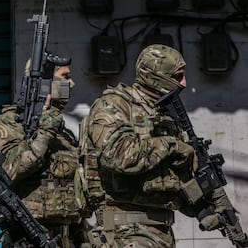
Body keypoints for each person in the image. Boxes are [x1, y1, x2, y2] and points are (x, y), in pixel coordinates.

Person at [77, 44, 200, 247]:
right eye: (178, 77)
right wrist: (172, 146)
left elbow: (175, 181)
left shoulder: (163, 116)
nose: (184, 84)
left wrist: (205, 205)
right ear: (155, 76)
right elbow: (118, 156)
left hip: (158, 233)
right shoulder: (114, 105)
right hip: (124, 233)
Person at [0, 62, 83, 247]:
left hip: (65, 235)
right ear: (45, 83)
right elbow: (10, 170)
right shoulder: (12, 123)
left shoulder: (63, 132)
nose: (71, 83)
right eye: (65, 77)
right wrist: (44, 131)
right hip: (29, 235)